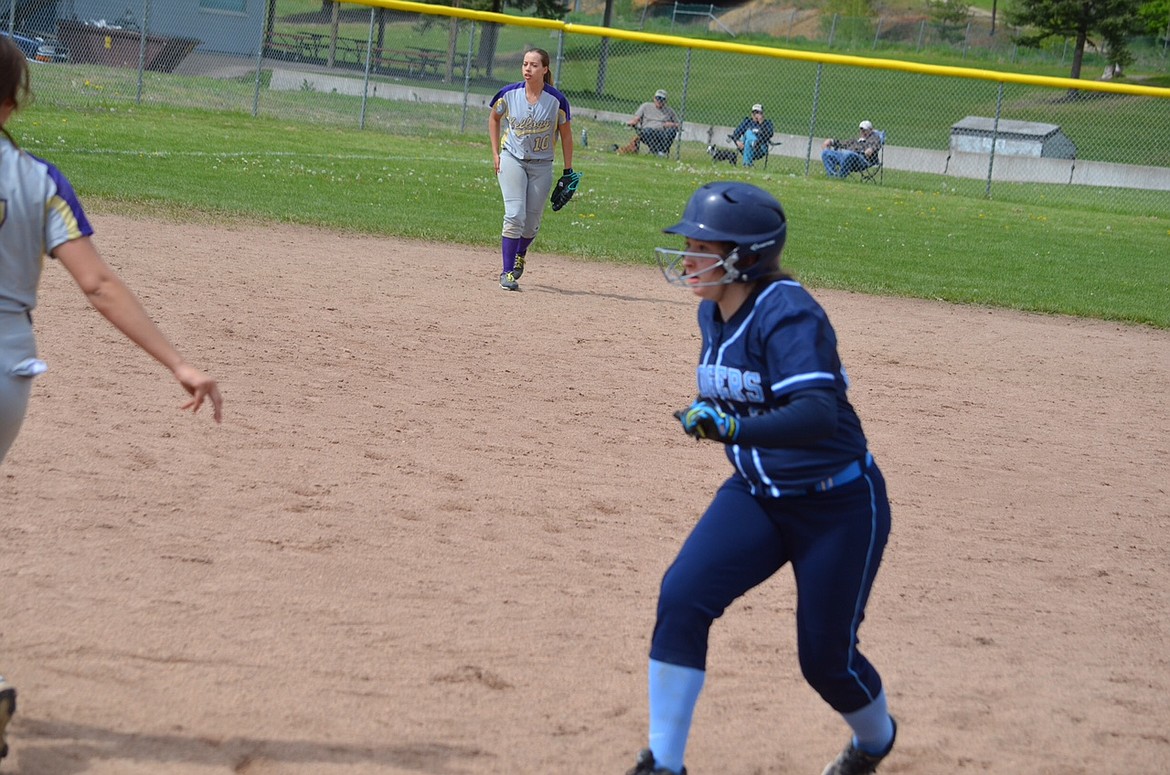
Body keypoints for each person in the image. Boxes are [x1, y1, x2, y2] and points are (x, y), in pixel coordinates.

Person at [0, 34, 223, 765]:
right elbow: (96, 285)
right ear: (15, 100)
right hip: (8, 374)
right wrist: (179, 363)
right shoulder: (38, 180)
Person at [626, 181, 896, 775]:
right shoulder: (713, 310)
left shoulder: (790, 312)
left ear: (744, 256)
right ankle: (663, 765)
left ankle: (875, 741)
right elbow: (735, 392)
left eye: (702, 245)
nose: (688, 256)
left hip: (837, 505)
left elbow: (816, 413)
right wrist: (709, 413)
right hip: (757, 494)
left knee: (826, 662)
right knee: (683, 596)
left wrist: (728, 427)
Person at [488, 47, 574, 292]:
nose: (528, 68)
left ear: (545, 69)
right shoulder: (509, 94)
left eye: (534, 65)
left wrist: (568, 170)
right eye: (525, 63)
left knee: (532, 222)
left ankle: (520, 254)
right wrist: (495, 153)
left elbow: (566, 137)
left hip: (542, 165)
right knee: (515, 214)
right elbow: (494, 118)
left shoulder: (556, 100)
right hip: (512, 159)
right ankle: (507, 273)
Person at [617, 89, 679, 158]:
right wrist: (631, 123)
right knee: (647, 131)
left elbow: (678, 125)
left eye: (662, 99)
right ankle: (657, 152)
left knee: (672, 131)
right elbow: (636, 119)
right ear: (654, 98)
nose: (659, 101)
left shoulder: (670, 111)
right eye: (658, 98)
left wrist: (671, 124)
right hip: (648, 131)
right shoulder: (646, 106)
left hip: (662, 132)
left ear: (666, 101)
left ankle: (662, 152)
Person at [729, 103, 775, 167]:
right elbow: (736, 133)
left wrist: (761, 123)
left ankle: (747, 165)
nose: (756, 115)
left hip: (760, 148)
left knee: (748, 141)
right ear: (752, 114)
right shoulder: (747, 122)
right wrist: (737, 141)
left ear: (762, 114)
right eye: (755, 112)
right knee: (748, 133)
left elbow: (770, 134)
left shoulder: (767, 123)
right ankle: (753, 143)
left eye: (759, 113)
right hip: (744, 147)